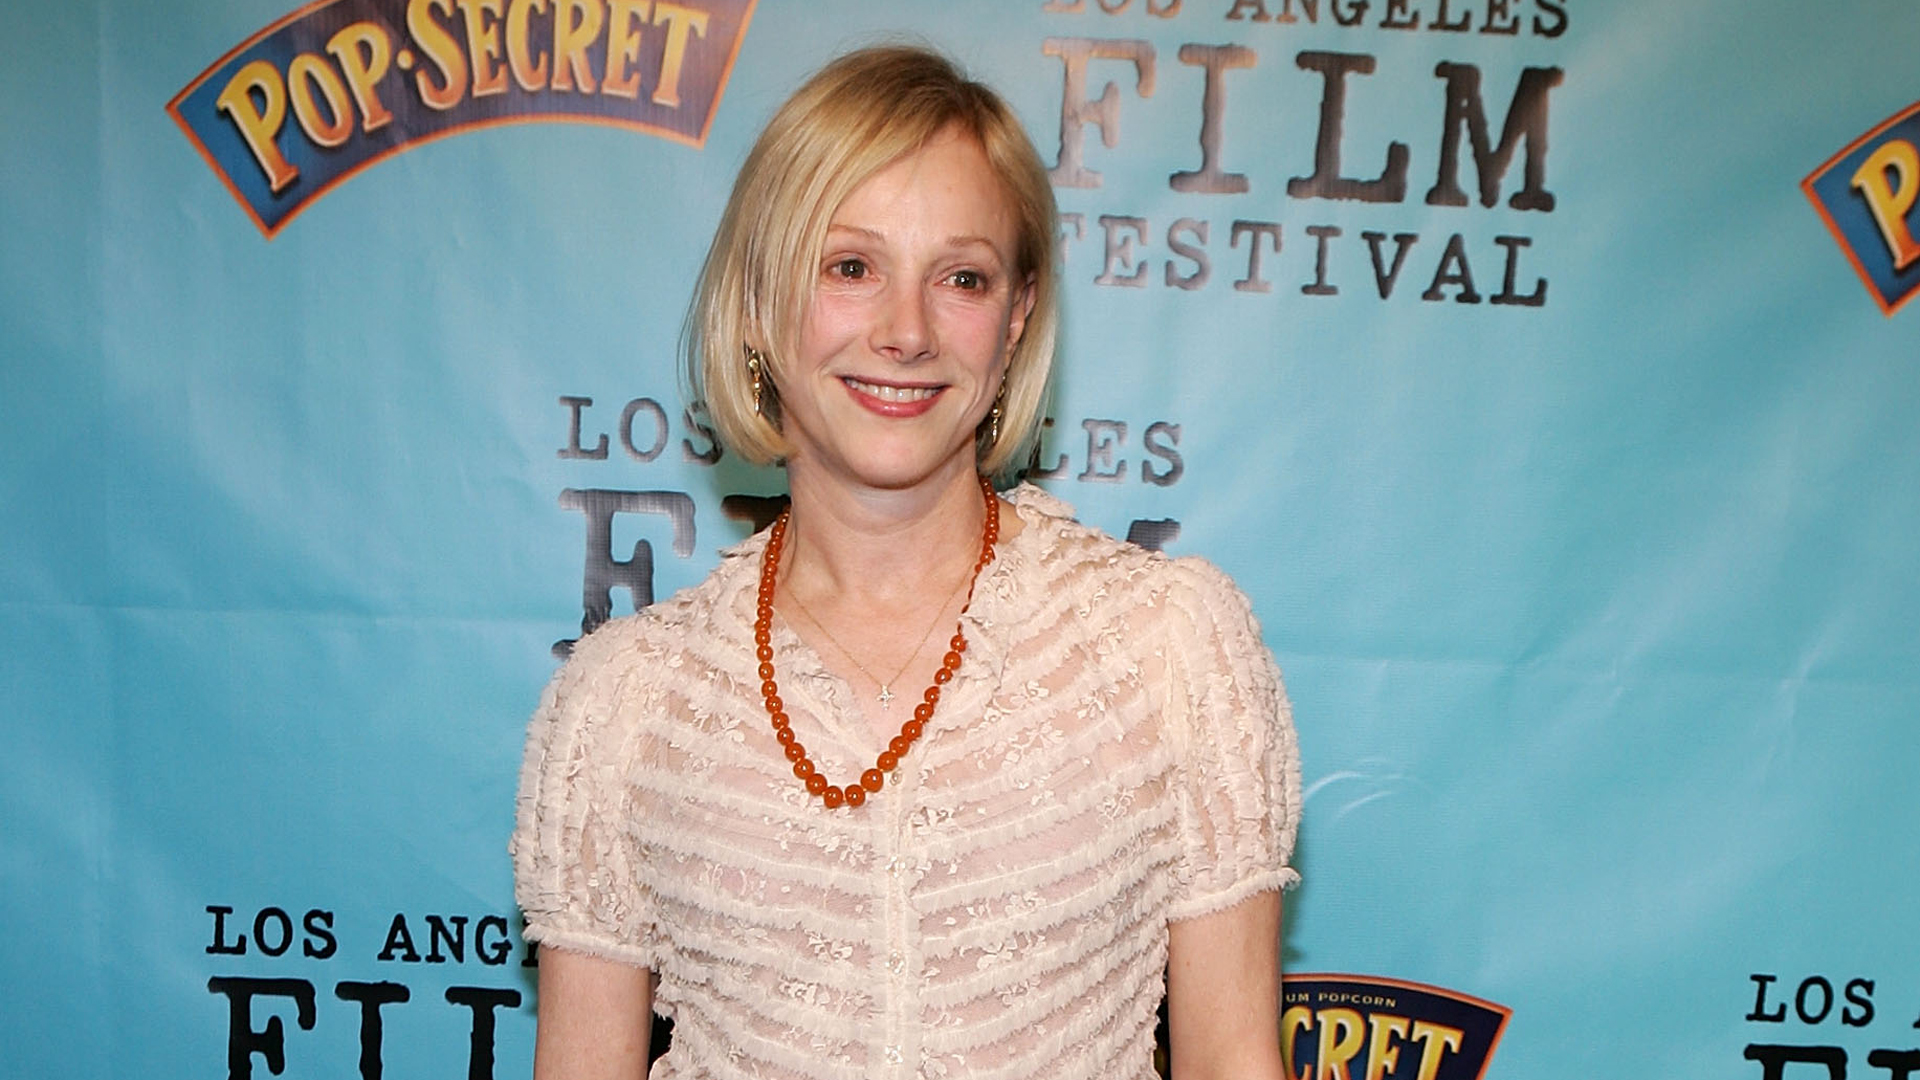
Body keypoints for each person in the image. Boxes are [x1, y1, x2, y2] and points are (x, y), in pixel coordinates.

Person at [511, 45, 1301, 1080]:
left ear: (1016, 320)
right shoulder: (625, 703)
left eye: (961, 278)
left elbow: (1235, 1059)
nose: (907, 331)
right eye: (851, 267)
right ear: (757, 300)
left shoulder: (1169, 646)